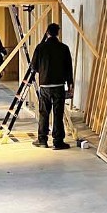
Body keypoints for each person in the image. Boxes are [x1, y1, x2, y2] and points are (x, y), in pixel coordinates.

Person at [30, 22, 74, 150]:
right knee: (58, 113)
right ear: (58, 33)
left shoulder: (40, 48)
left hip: (45, 86)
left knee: (44, 113)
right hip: (59, 85)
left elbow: (34, 66)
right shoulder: (64, 48)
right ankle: (58, 142)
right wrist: (70, 84)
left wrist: (43, 70)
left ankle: (42, 140)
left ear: (47, 33)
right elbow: (68, 68)